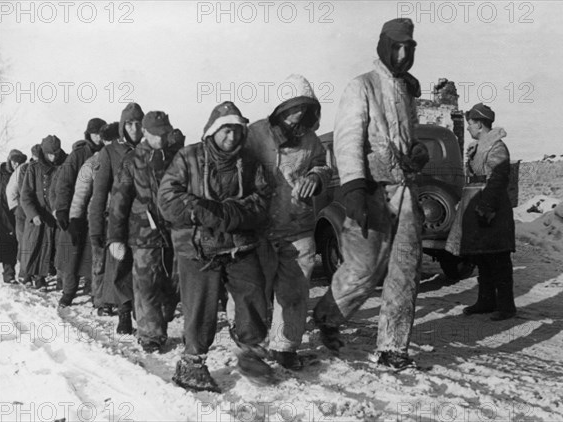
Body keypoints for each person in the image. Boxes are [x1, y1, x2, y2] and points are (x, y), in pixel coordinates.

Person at [312, 18, 430, 369]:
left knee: (406, 267)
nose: (402, 53)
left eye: (409, 48)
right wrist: (355, 191)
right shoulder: (361, 86)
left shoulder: (407, 91)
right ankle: (328, 317)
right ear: (383, 45)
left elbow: (406, 139)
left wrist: (418, 152)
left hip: (404, 189)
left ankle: (393, 347)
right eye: (396, 46)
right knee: (365, 266)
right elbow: (348, 139)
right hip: (370, 190)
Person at [158, 101, 272, 392]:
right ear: (212, 131)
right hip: (198, 249)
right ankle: (192, 364)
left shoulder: (250, 162)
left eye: (236, 131)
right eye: (225, 131)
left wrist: (230, 215)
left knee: (254, 299)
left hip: (239, 245)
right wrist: (199, 211)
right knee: (200, 310)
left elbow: (261, 200)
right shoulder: (188, 158)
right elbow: (167, 199)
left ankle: (251, 354)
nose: (231, 138)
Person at [244, 74, 332, 369]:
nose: (298, 116)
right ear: (280, 108)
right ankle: (248, 343)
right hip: (259, 228)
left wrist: (315, 177)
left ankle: (285, 346)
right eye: (293, 108)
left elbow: (323, 164)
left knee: (294, 290)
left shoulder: (310, 140)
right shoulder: (254, 134)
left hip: (297, 225)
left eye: (304, 109)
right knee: (253, 289)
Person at [107, 111, 179, 352]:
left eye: (165, 134)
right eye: (157, 135)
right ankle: (150, 335)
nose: (161, 139)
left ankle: (164, 316)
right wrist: (115, 237)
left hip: (175, 231)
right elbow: (118, 201)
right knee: (146, 284)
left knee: (172, 283)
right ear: (146, 133)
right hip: (143, 233)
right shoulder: (132, 161)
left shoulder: (177, 157)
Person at [445, 103, 516, 321]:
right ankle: (486, 301)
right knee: (483, 257)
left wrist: (486, 207)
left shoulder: (497, 148)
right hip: (479, 209)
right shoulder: (480, 147)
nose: (468, 129)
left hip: (491, 210)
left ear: (479, 124)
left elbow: (497, 180)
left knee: (498, 258)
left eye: (470, 124)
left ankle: (506, 306)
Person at [89, 103, 144, 334]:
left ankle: (143, 315)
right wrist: (96, 229)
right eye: (129, 124)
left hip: (144, 222)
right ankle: (124, 315)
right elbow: (99, 194)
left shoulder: (148, 149)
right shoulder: (109, 152)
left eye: (138, 123)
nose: (134, 128)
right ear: (122, 126)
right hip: (118, 220)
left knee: (144, 270)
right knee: (121, 267)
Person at [55, 117, 107, 307]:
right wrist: (62, 209)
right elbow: (64, 183)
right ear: (88, 135)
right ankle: (68, 292)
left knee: (90, 253)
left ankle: (94, 292)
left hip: (95, 212)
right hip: (74, 212)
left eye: (101, 134)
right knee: (72, 253)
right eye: (95, 134)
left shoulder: (106, 153)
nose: (98, 138)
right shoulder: (78, 155)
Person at [70, 122, 118, 315]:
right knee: (99, 262)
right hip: (99, 217)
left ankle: (119, 299)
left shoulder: (125, 159)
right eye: (108, 140)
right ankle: (100, 301)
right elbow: (81, 193)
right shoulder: (92, 163)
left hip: (120, 219)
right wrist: (74, 216)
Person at [20, 136, 67, 290]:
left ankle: (57, 278)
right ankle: (38, 278)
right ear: (44, 153)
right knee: (36, 246)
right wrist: (33, 214)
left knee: (55, 247)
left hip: (55, 214)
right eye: (49, 154)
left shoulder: (63, 166)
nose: (53, 157)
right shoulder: (33, 168)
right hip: (38, 215)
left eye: (56, 153)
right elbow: (26, 195)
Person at [6, 145, 39, 284]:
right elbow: (11, 191)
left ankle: (32, 273)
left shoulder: (36, 168)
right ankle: (25, 273)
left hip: (34, 211)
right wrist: (16, 208)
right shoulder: (24, 168)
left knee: (33, 242)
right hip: (22, 211)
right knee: (24, 242)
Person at [0, 150, 27, 284]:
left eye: (19, 162)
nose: (16, 164)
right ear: (9, 160)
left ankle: (9, 274)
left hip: (11, 213)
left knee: (10, 243)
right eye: (14, 161)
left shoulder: (22, 174)